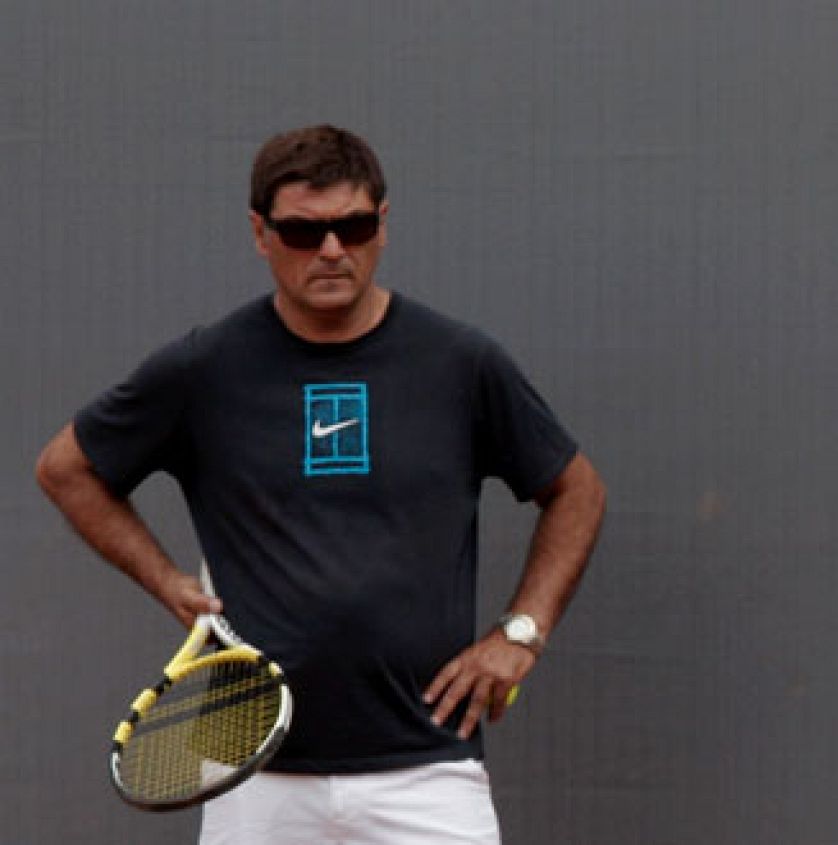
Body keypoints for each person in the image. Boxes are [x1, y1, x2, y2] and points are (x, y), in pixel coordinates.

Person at [35, 124, 607, 843]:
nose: (333, 249)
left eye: (354, 225)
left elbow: (577, 489)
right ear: (260, 233)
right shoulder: (205, 369)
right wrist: (167, 582)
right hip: (253, 774)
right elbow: (66, 468)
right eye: (305, 233)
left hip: (428, 771)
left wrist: (520, 632)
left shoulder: (459, 362)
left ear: (383, 224)